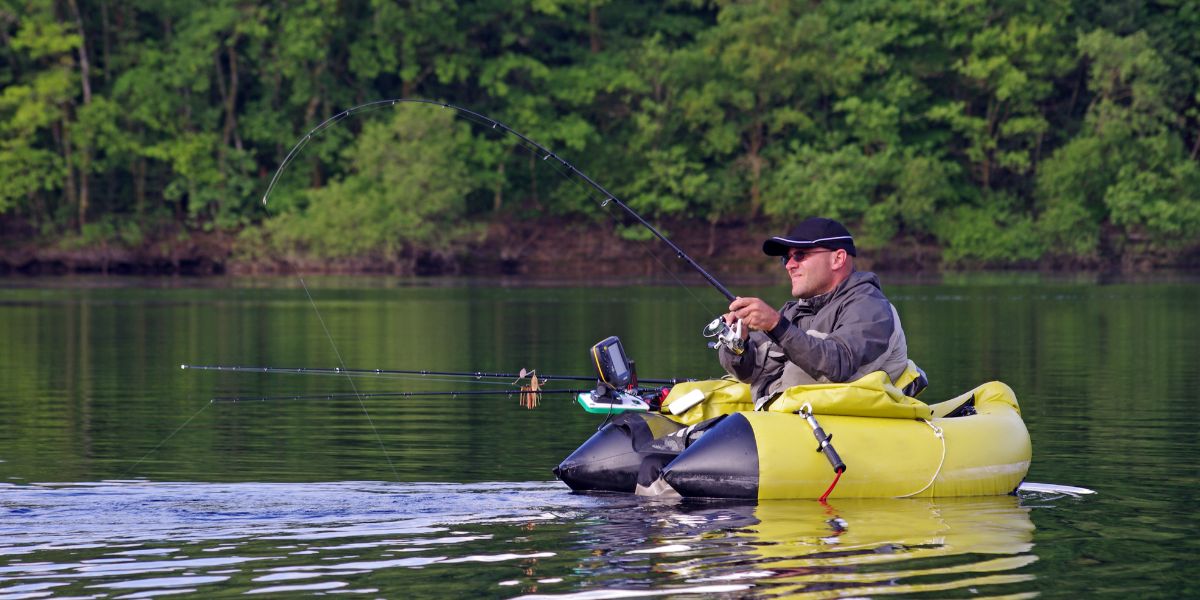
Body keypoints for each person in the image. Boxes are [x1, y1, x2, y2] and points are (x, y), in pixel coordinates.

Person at [720, 217, 909, 405]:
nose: (789, 265)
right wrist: (738, 343)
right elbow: (751, 370)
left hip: (833, 427)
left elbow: (839, 364)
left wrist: (777, 325)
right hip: (785, 420)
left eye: (800, 255)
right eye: (786, 258)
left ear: (838, 259)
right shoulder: (794, 312)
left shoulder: (871, 308)